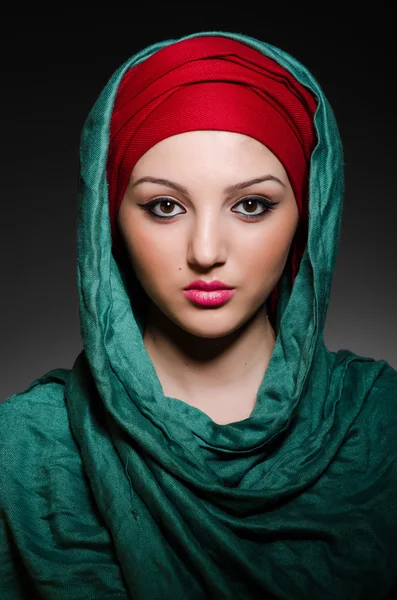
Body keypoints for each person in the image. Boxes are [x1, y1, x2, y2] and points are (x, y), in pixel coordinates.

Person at [0, 31, 396, 600]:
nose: (206, 250)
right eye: (165, 207)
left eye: (251, 205)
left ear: (306, 220)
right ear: (108, 222)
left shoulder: (382, 427)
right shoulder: (27, 449)